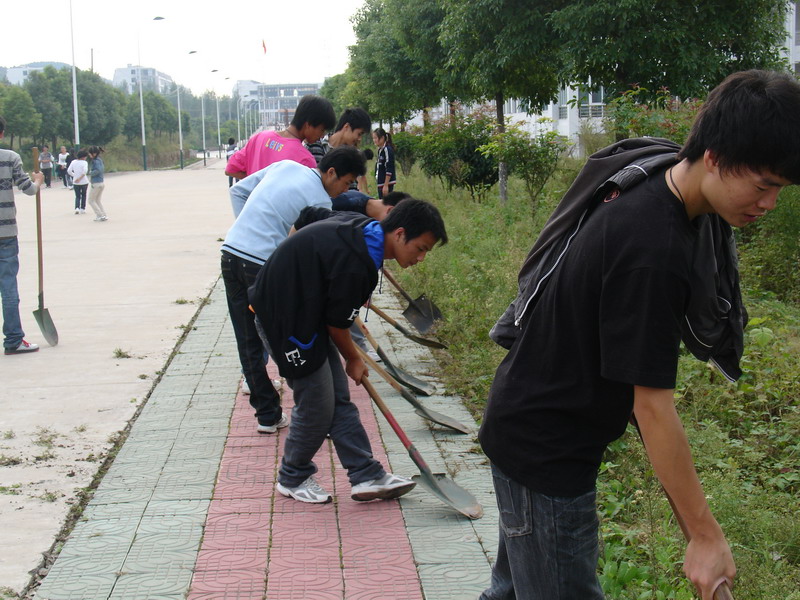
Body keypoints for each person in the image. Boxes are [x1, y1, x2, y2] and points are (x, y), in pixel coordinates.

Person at [478, 69, 800, 600]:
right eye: (763, 185)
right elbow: (651, 405)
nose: (768, 204)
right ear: (714, 156)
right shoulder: (653, 246)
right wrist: (705, 534)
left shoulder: (661, 180)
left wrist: (697, 527)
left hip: (531, 423)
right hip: (546, 449)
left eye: (780, 190)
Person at [249, 199, 448, 504]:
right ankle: (292, 476)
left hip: (306, 314)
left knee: (337, 397)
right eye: (420, 248)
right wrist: (354, 359)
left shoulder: (366, 230)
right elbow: (337, 325)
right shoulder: (358, 263)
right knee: (317, 403)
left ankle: (366, 475)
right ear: (399, 233)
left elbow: (311, 217)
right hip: (283, 321)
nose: (421, 258)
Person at [221, 146, 367, 434]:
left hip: (231, 252)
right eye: (346, 182)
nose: (345, 190)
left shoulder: (285, 166)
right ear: (331, 172)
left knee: (248, 340)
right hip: (261, 265)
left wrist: (248, 229)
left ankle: (267, 416)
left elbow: (237, 192)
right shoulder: (320, 202)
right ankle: (316, 414)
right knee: (289, 340)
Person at [0, 116, 44, 355]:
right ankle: (13, 340)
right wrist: (38, 180)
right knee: (8, 287)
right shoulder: (9, 157)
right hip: (5, 234)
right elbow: (28, 189)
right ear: (2, 134)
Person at [224, 95, 335, 180]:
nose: (322, 136)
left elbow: (230, 169)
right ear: (308, 125)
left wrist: (255, 184)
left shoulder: (259, 138)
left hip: (252, 204)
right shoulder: (304, 159)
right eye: (322, 130)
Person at [306, 107, 372, 193]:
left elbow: (352, 190)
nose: (359, 139)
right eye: (359, 134)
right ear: (347, 127)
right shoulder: (314, 147)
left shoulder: (354, 158)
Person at [372, 127, 395, 199]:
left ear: (382, 138)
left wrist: (386, 185)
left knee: (386, 203)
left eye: (375, 138)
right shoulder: (380, 150)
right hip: (380, 183)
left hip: (386, 184)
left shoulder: (387, 150)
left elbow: (389, 167)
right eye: (373, 138)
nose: (374, 140)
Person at [87, 146, 107, 222]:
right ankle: (103, 214)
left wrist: (91, 173)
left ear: (94, 153)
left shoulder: (95, 161)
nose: (89, 155)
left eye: (90, 153)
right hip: (101, 182)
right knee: (97, 200)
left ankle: (100, 215)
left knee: (91, 200)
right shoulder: (100, 160)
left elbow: (98, 170)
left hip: (96, 183)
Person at [67, 149, 89, 214]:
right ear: (83, 157)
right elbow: (85, 171)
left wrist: (75, 175)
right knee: (84, 195)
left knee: (77, 195)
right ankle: (82, 208)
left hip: (75, 181)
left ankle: (77, 208)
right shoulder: (84, 162)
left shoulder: (73, 162)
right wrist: (80, 178)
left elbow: (69, 171)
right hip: (84, 181)